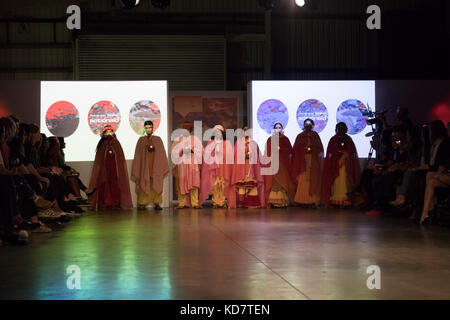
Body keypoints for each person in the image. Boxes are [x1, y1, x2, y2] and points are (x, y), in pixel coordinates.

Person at [87, 126, 132, 210]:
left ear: (113, 133)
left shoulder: (116, 143)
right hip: (104, 169)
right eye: (106, 132)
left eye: (110, 132)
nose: (108, 134)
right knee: (104, 184)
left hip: (114, 168)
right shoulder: (102, 144)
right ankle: (104, 202)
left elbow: (120, 157)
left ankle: (115, 202)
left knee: (114, 184)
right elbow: (99, 158)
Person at [131, 120, 169, 211]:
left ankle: (157, 203)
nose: (148, 129)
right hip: (145, 167)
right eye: (146, 128)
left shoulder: (158, 139)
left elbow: (161, 154)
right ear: (145, 128)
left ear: (153, 128)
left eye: (150, 128)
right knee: (144, 182)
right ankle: (142, 203)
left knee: (156, 182)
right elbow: (138, 155)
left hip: (155, 166)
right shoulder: (141, 140)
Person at [321, 122, 361, 207]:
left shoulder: (348, 139)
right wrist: (337, 155)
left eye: (342, 128)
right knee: (337, 181)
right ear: (336, 129)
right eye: (339, 128)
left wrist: (345, 155)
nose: (341, 130)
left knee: (344, 180)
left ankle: (345, 199)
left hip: (346, 165)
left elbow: (352, 152)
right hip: (335, 165)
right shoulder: (333, 139)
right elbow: (330, 153)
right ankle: (336, 200)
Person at [420, 120, 450, 224]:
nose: (448, 133)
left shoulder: (446, 143)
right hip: (446, 175)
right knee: (431, 179)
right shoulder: (444, 143)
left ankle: (427, 212)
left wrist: (440, 172)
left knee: (430, 175)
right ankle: (426, 212)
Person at [199, 125, 234, 208]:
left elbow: (229, 155)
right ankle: (215, 201)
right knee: (215, 185)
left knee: (222, 185)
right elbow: (207, 155)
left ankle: (221, 201)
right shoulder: (210, 142)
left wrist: (222, 153)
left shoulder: (226, 143)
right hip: (213, 168)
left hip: (223, 167)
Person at [291, 119, 324, 207]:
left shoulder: (315, 135)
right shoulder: (300, 136)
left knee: (312, 179)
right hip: (302, 162)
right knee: (303, 179)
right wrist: (303, 150)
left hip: (313, 161)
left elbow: (320, 148)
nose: (308, 125)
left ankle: (312, 201)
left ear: (312, 125)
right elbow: (295, 149)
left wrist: (313, 149)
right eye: (306, 124)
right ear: (304, 125)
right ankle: (301, 200)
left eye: (310, 124)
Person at [230, 126, 265, 209]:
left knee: (250, 182)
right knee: (241, 183)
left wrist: (251, 156)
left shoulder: (253, 143)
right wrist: (243, 155)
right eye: (244, 130)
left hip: (251, 167)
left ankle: (251, 203)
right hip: (241, 166)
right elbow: (235, 155)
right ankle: (241, 203)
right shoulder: (238, 142)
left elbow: (258, 156)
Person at [262, 122, 295, 208]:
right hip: (273, 164)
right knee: (274, 183)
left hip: (283, 164)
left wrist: (281, 150)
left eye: (279, 127)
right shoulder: (270, 139)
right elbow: (267, 152)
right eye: (276, 127)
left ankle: (282, 202)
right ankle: (273, 201)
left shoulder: (285, 139)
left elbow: (290, 151)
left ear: (282, 129)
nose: (278, 129)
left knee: (282, 182)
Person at [171, 122, 203, 209]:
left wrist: (192, 151)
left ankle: (194, 202)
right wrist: (181, 151)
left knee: (194, 183)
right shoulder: (178, 139)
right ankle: (182, 203)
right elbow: (174, 151)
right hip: (183, 165)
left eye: (188, 129)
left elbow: (200, 150)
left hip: (192, 164)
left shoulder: (195, 139)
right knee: (182, 183)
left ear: (190, 130)